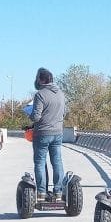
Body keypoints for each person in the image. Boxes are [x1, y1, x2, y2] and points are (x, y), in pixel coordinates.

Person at [29, 67, 66, 200]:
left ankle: (41, 192)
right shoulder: (61, 94)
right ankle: (58, 192)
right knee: (57, 161)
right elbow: (63, 113)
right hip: (58, 133)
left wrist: (31, 115)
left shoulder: (40, 94)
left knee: (40, 162)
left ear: (41, 79)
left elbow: (36, 117)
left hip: (42, 133)